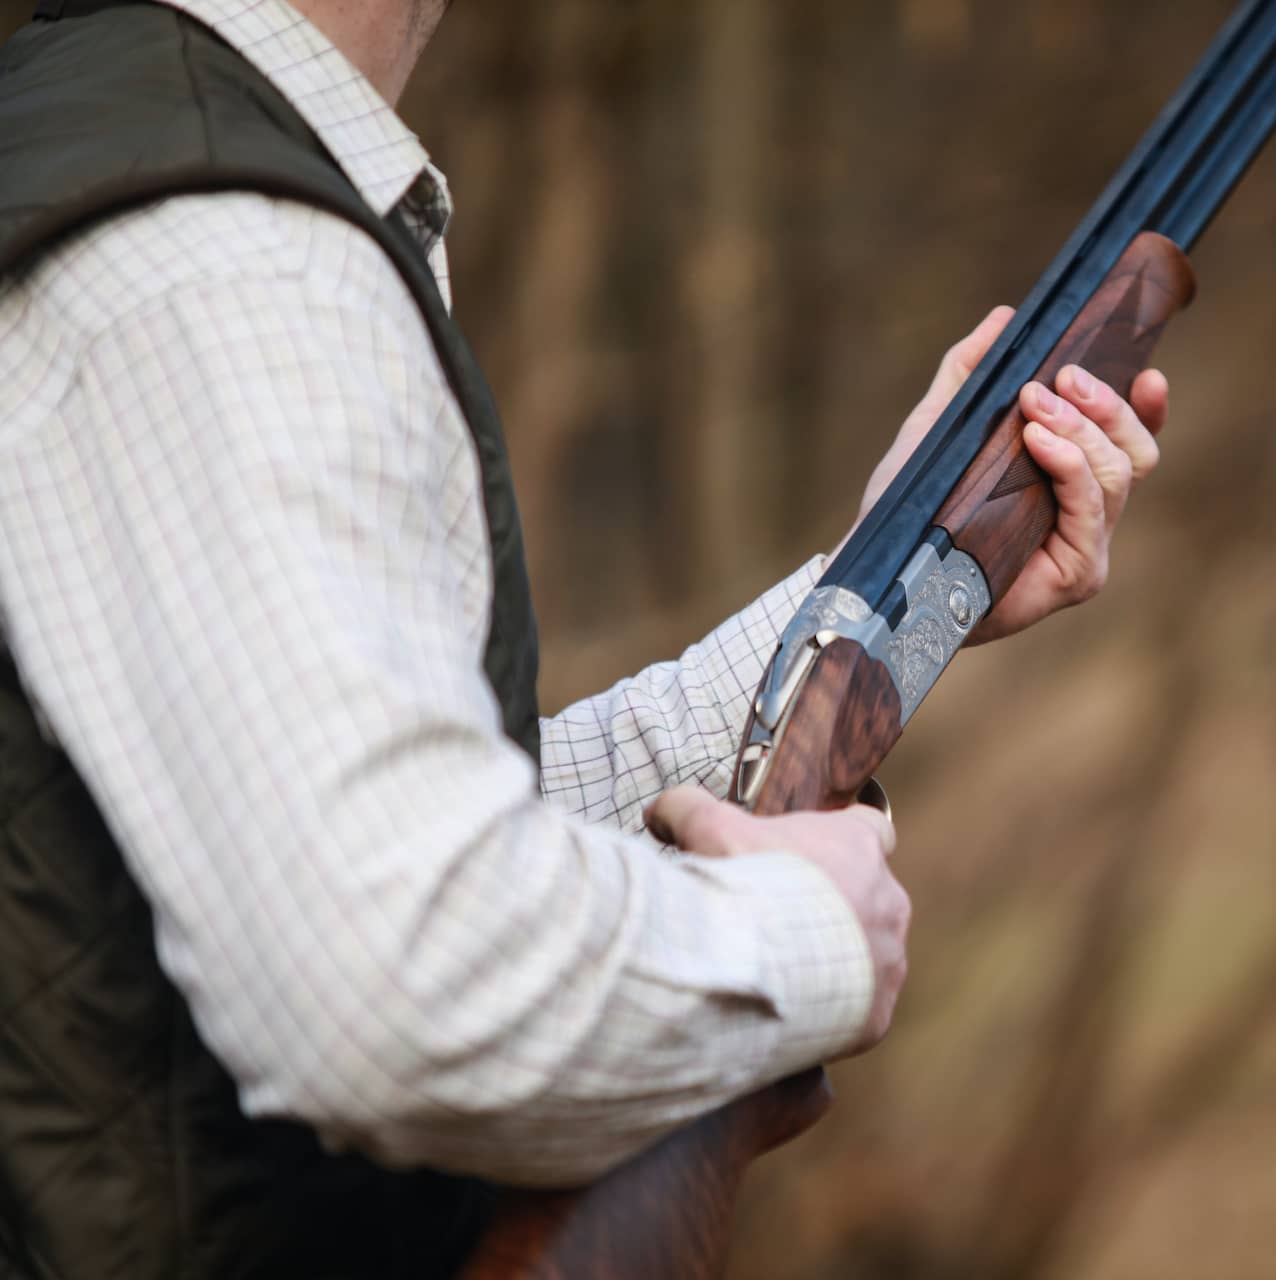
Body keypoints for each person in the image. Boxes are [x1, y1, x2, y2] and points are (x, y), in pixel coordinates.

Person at [0, 0, 1169, 1275]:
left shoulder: (117, 161)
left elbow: (356, 833)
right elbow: (397, 973)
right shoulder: (232, 267)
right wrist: (797, 938)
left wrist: (888, 580)